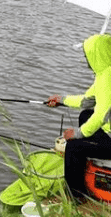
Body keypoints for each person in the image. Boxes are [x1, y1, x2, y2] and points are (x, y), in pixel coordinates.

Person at [47, 33, 111, 199]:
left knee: (73, 147)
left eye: (86, 55)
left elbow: (102, 115)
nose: (86, 60)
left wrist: (77, 133)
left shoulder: (107, 78)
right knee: (85, 115)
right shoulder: (104, 73)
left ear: (96, 54)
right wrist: (61, 100)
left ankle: (77, 195)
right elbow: (87, 101)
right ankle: (86, 162)